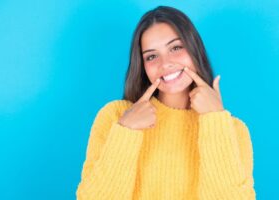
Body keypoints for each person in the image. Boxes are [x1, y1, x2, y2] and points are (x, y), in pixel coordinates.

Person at [76, 5, 256, 200]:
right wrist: (126, 131)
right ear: (142, 65)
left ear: (194, 49)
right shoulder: (115, 116)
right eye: (152, 56)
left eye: (176, 47)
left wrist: (214, 121)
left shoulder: (233, 129)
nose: (165, 64)